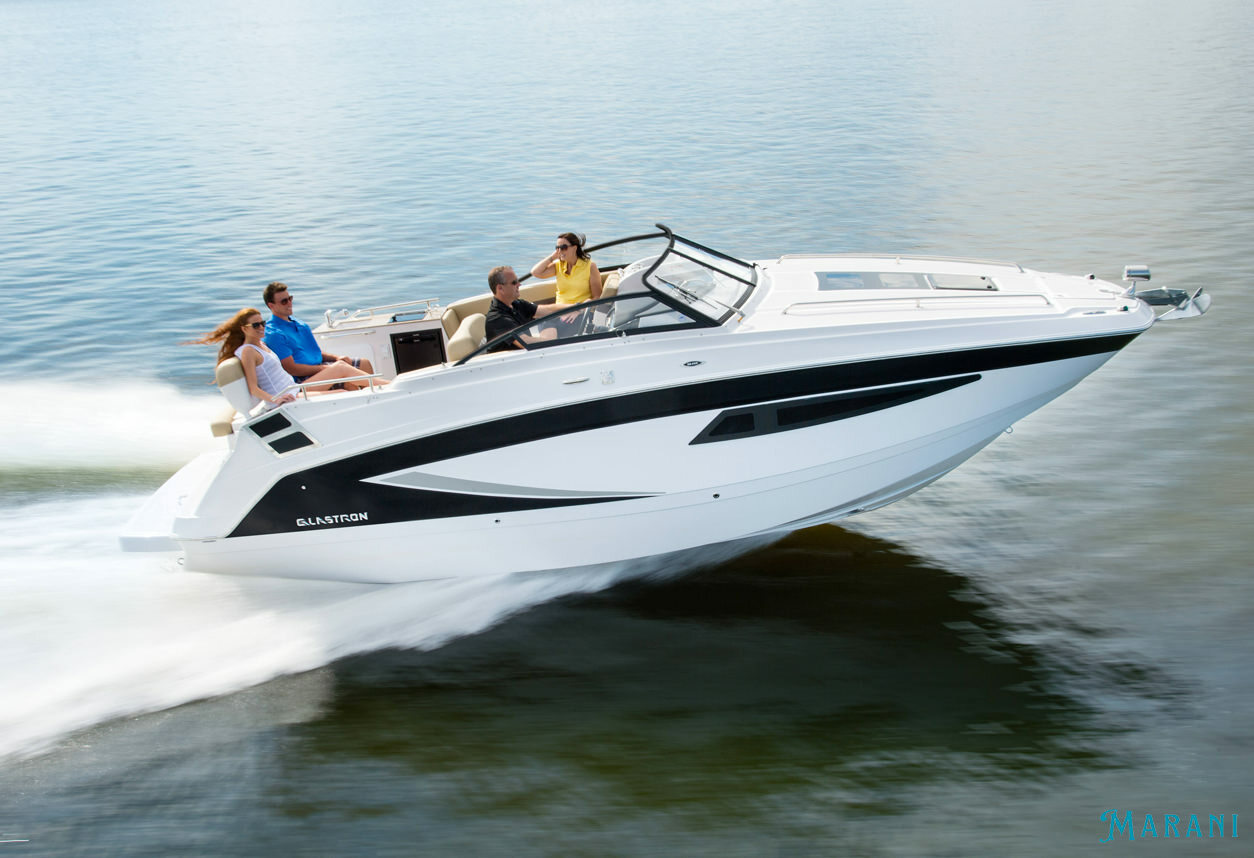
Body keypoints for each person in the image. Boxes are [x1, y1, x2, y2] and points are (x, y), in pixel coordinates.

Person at [262, 281, 379, 388]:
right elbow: (292, 369)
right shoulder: (274, 333)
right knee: (346, 380)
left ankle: (375, 397)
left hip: (319, 366)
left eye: (290, 298)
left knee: (364, 363)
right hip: (303, 377)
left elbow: (314, 351)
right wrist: (325, 368)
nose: (289, 303)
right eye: (284, 301)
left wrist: (336, 358)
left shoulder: (300, 324)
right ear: (271, 305)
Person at [484, 266, 568, 352]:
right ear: (500, 288)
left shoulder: (516, 304)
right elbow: (525, 343)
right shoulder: (497, 318)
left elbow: (547, 310)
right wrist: (550, 337)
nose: (519, 284)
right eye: (514, 282)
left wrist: (574, 307)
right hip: (508, 359)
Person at [530, 232, 602, 304]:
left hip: (578, 308)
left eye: (563, 247)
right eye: (557, 248)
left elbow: (597, 297)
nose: (560, 251)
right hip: (559, 308)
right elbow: (535, 272)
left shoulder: (590, 266)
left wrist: (583, 306)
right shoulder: (558, 265)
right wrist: (552, 257)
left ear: (574, 248)